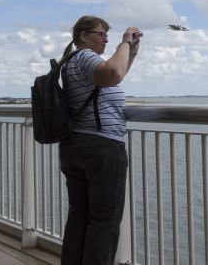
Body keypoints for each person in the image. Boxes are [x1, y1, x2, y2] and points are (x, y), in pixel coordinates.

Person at [59, 15, 140, 265]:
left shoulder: (71, 61)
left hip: (76, 146)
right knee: (104, 221)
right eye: (101, 34)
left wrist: (131, 51)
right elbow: (113, 73)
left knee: (80, 217)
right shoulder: (85, 57)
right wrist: (124, 43)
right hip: (101, 147)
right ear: (83, 36)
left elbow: (114, 74)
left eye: (108, 35)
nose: (106, 39)